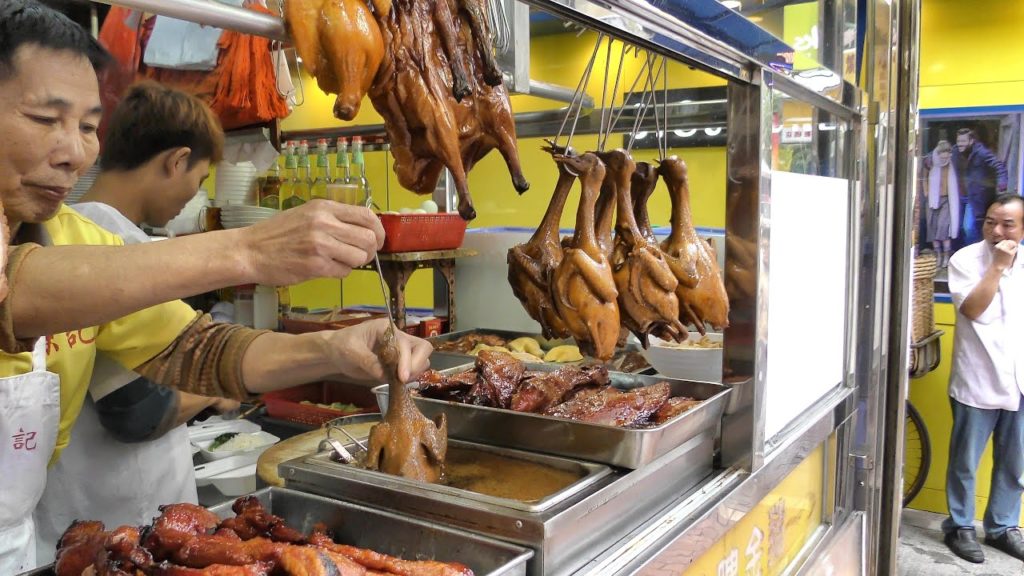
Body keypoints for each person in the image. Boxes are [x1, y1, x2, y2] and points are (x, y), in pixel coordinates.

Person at [0, 2, 431, 573]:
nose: (75, 152)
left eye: (85, 126)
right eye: (44, 119)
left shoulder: (77, 237)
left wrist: (333, 350)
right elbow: (24, 290)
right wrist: (248, 249)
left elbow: (196, 351)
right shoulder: (63, 260)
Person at [32, 81, 245, 563]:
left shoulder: (61, 230)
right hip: (122, 524)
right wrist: (215, 389)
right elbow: (135, 410)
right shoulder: (114, 249)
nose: (196, 193)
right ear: (176, 161)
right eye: (201, 177)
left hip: (78, 517)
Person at [942, 193, 1024, 564]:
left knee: (1013, 463)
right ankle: (959, 525)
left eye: (1007, 223)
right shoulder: (965, 260)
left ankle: (1002, 527)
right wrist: (998, 267)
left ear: (1022, 229)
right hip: (977, 378)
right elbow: (974, 309)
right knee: (965, 460)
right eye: (991, 221)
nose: (996, 230)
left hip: (1020, 381)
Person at [954, 128, 1008, 245]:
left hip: (978, 198)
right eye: (958, 141)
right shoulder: (956, 151)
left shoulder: (982, 152)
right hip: (962, 195)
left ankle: (980, 252)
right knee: (961, 228)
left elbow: (999, 166)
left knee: (971, 228)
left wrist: (1002, 183)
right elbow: (940, 154)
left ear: (971, 141)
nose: (960, 144)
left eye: (963, 141)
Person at [925, 141, 960, 267]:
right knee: (932, 227)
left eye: (947, 157)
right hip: (932, 200)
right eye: (943, 157)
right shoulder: (930, 163)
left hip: (947, 199)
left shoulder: (952, 164)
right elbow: (922, 176)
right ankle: (938, 255)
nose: (945, 159)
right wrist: (926, 191)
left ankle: (946, 256)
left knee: (943, 228)